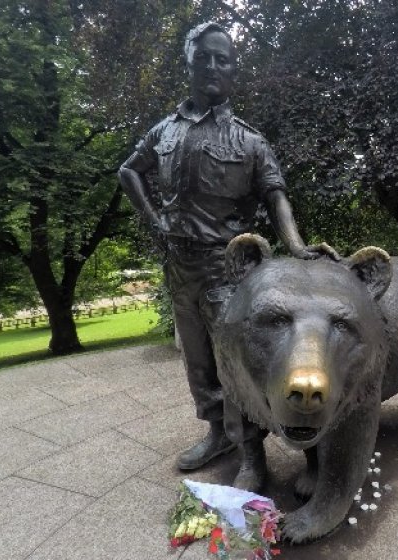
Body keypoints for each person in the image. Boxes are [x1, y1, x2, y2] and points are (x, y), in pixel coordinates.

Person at [117, 22, 334, 487]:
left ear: (234, 69)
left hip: (230, 268)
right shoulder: (164, 132)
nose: (214, 66)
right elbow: (128, 172)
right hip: (180, 268)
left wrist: (295, 245)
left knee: (239, 366)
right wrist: (155, 223)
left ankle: (252, 456)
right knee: (199, 362)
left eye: (223, 59)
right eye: (205, 57)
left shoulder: (250, 141)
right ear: (189, 63)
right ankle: (217, 433)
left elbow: (276, 196)